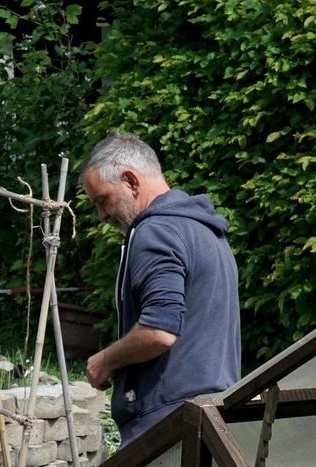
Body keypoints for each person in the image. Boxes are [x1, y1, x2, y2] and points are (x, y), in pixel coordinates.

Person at [80, 132, 242, 444]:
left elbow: (159, 331)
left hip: (168, 427)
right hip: (213, 417)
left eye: (102, 200)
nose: (101, 215)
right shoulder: (206, 232)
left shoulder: (155, 233)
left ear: (130, 181)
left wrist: (105, 361)